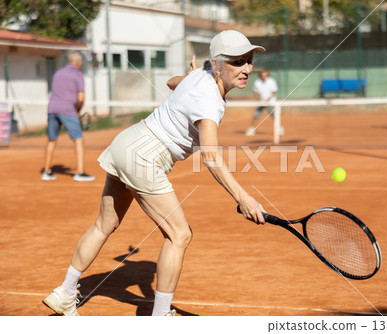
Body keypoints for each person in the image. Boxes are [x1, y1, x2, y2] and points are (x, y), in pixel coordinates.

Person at [42, 30, 267, 316]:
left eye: (248, 60)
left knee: (104, 224)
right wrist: (244, 198)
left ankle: (64, 291)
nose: (247, 68)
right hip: (146, 156)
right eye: (237, 62)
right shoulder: (209, 100)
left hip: (129, 141)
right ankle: (159, 317)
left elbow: (171, 82)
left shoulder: (202, 75)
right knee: (179, 235)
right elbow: (210, 157)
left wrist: (190, 79)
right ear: (218, 64)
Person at [41, 51, 95, 181]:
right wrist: (77, 110)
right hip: (67, 110)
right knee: (78, 139)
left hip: (52, 108)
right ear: (78, 63)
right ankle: (80, 172)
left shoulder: (58, 73)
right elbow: (81, 98)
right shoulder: (78, 74)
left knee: (52, 139)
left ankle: (46, 172)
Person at [245, 69, 284, 136]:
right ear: (260, 75)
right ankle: (251, 129)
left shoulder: (271, 81)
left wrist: (267, 100)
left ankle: (280, 129)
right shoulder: (257, 82)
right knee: (256, 116)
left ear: (267, 74)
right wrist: (259, 100)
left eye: (265, 74)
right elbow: (256, 92)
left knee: (274, 116)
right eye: (262, 74)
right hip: (261, 102)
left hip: (271, 102)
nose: (263, 75)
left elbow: (273, 92)